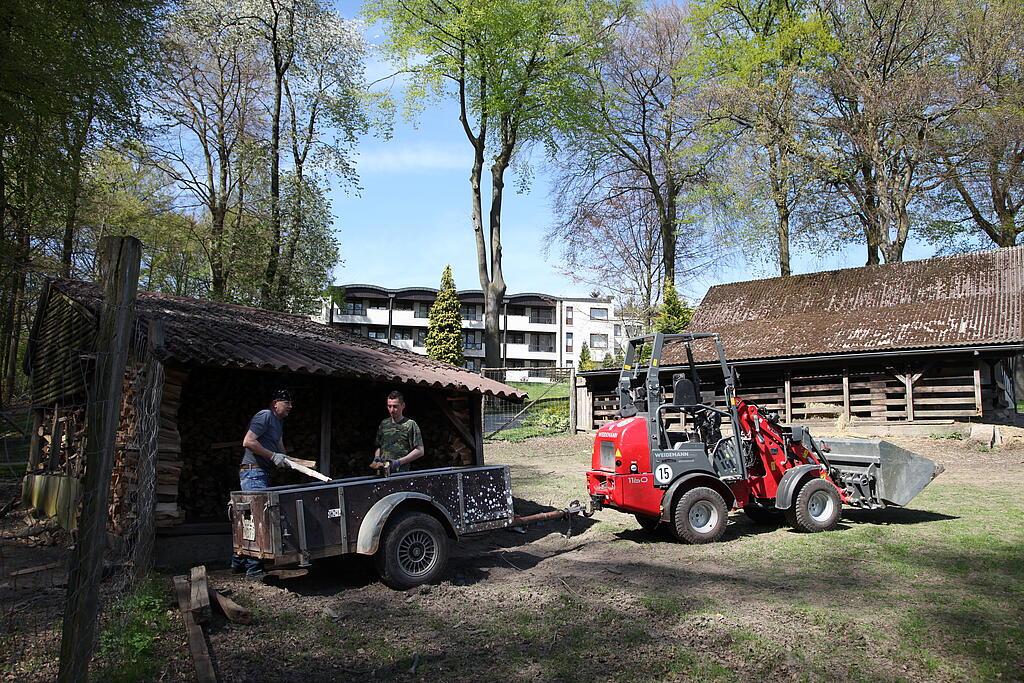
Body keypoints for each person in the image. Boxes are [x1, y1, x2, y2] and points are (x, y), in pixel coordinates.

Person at [231, 389, 294, 579]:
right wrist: (273, 456)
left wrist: (289, 461)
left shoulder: (279, 422)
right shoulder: (265, 416)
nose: (291, 406)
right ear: (276, 403)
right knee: (258, 519)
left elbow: (279, 445)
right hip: (253, 472)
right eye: (287, 403)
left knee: (248, 519)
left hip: (261, 473)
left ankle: (238, 562)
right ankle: (254, 570)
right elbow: (248, 442)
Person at [370, 390, 424, 474]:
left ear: (403, 406)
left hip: (401, 473)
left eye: (395, 406)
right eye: (389, 406)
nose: (392, 410)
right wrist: (377, 458)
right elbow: (378, 445)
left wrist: (399, 462)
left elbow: (420, 451)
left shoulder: (410, 425)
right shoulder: (384, 423)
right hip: (382, 472)